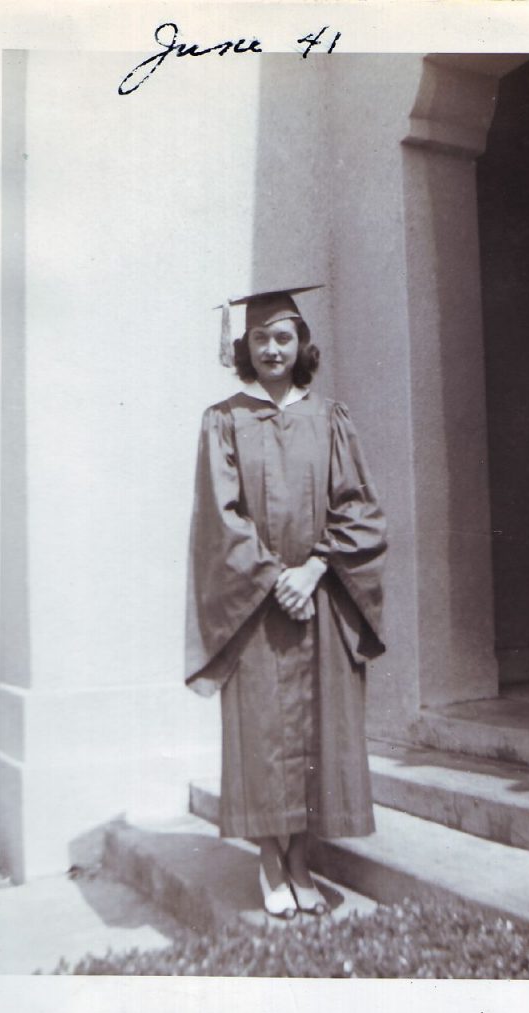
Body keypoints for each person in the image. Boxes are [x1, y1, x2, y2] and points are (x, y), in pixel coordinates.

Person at [184, 286, 387, 919]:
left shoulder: (330, 418)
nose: (272, 348)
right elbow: (221, 519)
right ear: (243, 346)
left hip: (321, 597)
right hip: (255, 606)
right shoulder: (224, 420)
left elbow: (361, 509)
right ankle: (270, 861)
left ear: (302, 345)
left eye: (284, 337)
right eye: (261, 338)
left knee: (316, 732)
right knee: (263, 733)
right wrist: (276, 578)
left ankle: (301, 859)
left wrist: (316, 567)